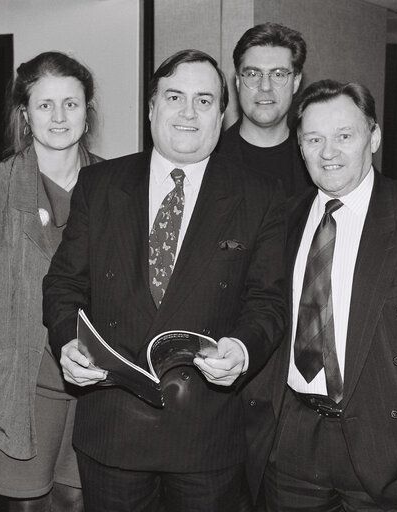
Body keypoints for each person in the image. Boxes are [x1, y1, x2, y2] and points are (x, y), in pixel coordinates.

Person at [42, 49, 287, 512]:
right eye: (175, 97)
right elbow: (63, 284)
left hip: (206, 433)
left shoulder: (259, 196)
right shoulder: (98, 185)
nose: (188, 113)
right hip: (113, 427)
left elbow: (267, 301)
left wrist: (242, 349)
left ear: (221, 113)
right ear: (152, 108)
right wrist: (66, 343)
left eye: (205, 100)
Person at [242, 79, 397, 510]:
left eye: (344, 136)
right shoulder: (283, 220)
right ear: (299, 147)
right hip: (291, 443)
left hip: (391, 451)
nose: (328, 152)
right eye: (314, 139)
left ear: (373, 138)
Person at [0, 51, 101, 512]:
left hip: (97, 382)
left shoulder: (118, 186)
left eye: (71, 104)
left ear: (88, 110)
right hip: (20, 381)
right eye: (44, 105)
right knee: (28, 505)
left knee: (80, 499)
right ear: (25, 114)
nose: (59, 117)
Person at [216, 22, 312, 196]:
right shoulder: (211, 160)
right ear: (238, 81)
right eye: (253, 74)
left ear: (296, 82)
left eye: (278, 74)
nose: (265, 86)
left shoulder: (317, 161)